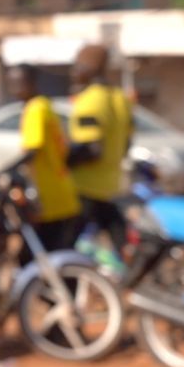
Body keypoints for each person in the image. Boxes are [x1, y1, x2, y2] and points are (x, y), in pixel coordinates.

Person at [3, 65, 81, 250]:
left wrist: (5, 171)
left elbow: (33, 149)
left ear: (31, 82)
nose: (15, 88)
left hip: (49, 195)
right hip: (60, 189)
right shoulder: (44, 104)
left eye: (19, 82)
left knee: (42, 252)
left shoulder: (35, 109)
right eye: (11, 83)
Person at [67, 45, 133, 254]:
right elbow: (127, 144)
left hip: (84, 187)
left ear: (89, 68)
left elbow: (91, 149)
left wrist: (62, 160)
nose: (73, 72)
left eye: (77, 66)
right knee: (121, 243)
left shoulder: (90, 100)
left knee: (63, 246)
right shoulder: (120, 98)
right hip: (110, 184)